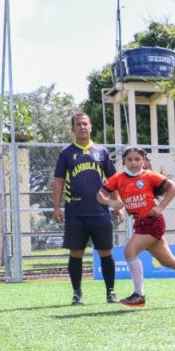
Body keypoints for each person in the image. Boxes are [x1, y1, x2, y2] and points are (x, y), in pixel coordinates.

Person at [97, 146, 175, 307]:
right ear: (124, 161)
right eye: (129, 159)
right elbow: (100, 194)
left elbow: (173, 187)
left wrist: (160, 207)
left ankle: (139, 295)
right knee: (168, 261)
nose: (133, 162)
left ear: (144, 161)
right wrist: (111, 202)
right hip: (140, 223)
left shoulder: (149, 176)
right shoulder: (118, 178)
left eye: (137, 159)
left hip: (152, 222)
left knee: (129, 251)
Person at [52, 113, 122, 305]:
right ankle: (77, 294)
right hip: (75, 213)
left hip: (100, 212)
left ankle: (111, 292)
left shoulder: (102, 151)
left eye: (85, 124)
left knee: (105, 252)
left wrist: (117, 205)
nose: (82, 127)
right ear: (73, 128)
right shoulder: (66, 153)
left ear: (90, 127)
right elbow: (59, 181)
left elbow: (113, 180)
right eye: (78, 124)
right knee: (76, 254)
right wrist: (57, 207)